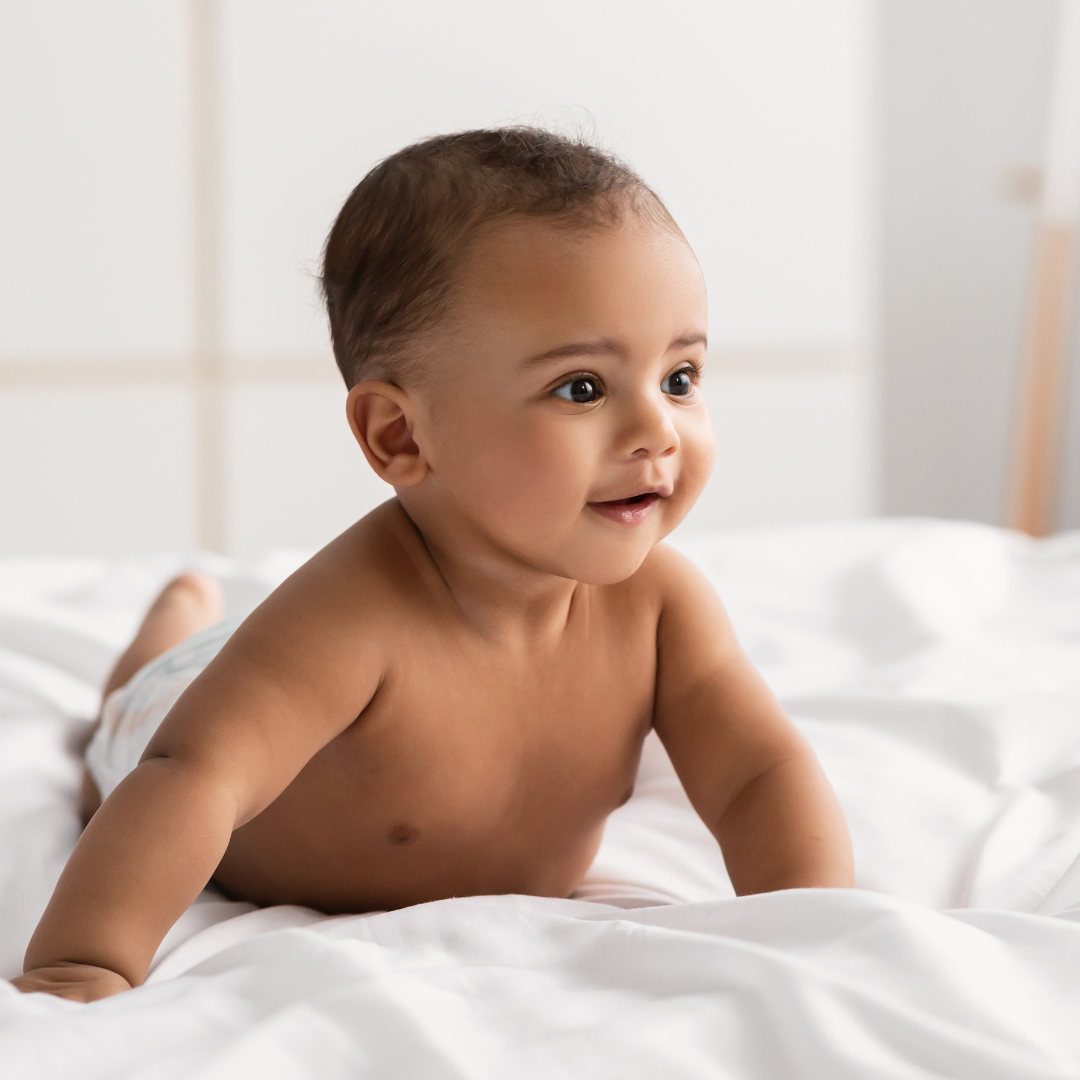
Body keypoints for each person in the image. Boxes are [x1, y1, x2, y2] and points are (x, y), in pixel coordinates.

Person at [13, 128, 854, 1003]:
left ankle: (186, 618)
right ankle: (166, 632)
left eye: (680, 377)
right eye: (583, 388)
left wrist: (818, 925)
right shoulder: (351, 619)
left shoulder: (662, 608)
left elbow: (759, 774)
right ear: (400, 435)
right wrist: (85, 960)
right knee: (140, 710)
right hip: (172, 719)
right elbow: (193, 777)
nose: (658, 431)